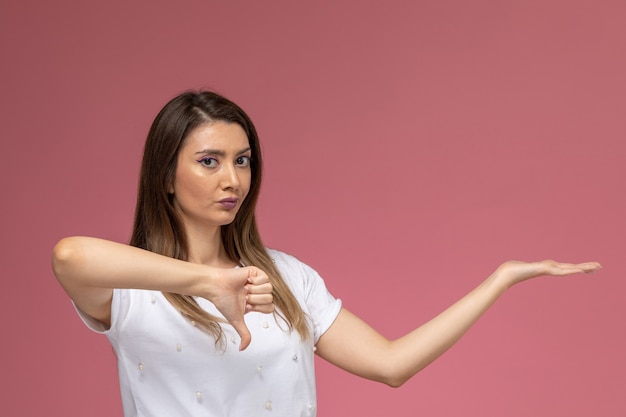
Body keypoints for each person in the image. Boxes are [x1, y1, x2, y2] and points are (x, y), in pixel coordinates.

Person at [52, 90, 600, 417]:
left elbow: (391, 365)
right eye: (209, 161)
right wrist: (209, 283)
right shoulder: (131, 288)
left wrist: (499, 280)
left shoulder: (285, 276)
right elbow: (71, 256)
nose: (232, 179)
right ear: (166, 175)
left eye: (242, 161)